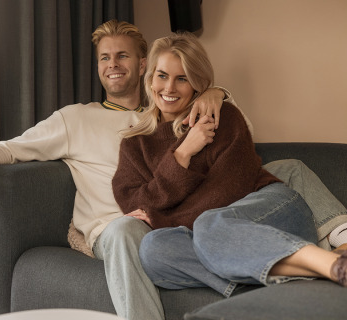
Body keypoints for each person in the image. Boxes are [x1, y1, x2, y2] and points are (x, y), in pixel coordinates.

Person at [0, 20, 347, 320]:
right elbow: (14, 147)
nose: (113, 65)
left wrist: (216, 94)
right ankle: (298, 265)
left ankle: (327, 250)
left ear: (141, 64)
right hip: (135, 224)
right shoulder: (80, 120)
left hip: (188, 217)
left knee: (285, 169)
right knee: (144, 238)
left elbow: (238, 153)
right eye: (104, 58)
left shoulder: (196, 113)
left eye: (123, 56)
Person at [111, 33, 347, 298]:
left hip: (271, 212)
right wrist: (183, 153)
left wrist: (162, 216)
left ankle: (332, 262)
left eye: (183, 78)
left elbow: (229, 191)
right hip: (219, 243)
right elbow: (133, 202)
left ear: (198, 84)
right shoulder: (134, 144)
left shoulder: (223, 117)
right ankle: (307, 272)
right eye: (162, 75)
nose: (169, 88)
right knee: (154, 249)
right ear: (150, 78)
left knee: (210, 224)